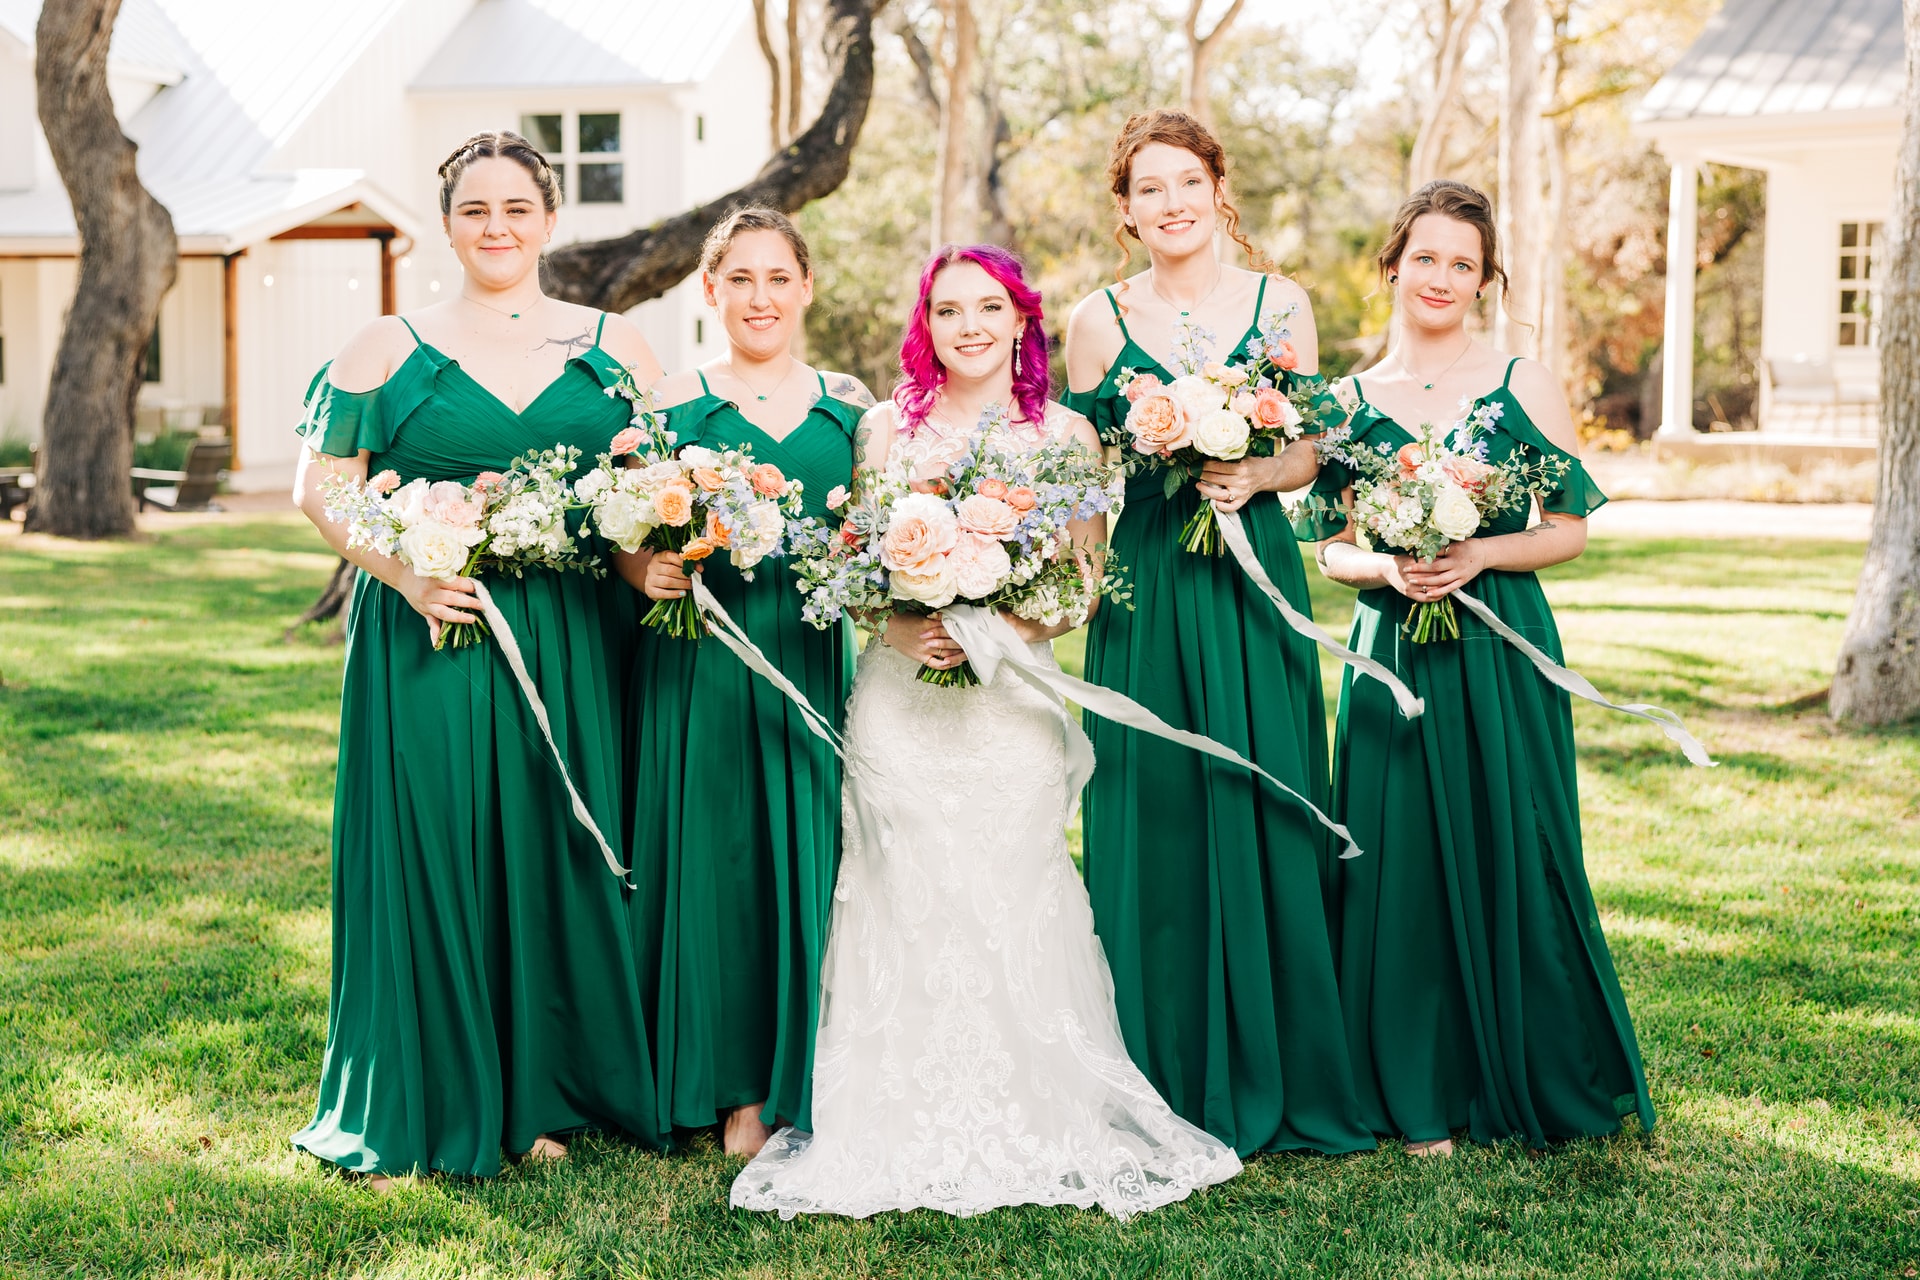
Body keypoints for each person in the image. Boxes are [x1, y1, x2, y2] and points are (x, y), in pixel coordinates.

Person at [730, 245, 1241, 1220]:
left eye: (989, 308)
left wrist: (995, 626)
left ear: (1021, 321)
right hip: (901, 697)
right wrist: (903, 623)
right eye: (949, 309)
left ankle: (1041, 1105)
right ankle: (890, 1111)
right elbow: (857, 566)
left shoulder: (1066, 436)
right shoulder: (885, 429)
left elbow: (1085, 582)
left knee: (1015, 884)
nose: (969, 326)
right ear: (926, 324)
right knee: (898, 883)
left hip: (1010, 702)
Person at [289, 131, 666, 1183]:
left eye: (516, 208)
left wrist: (651, 566)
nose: (497, 228)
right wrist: (406, 573)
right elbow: (322, 489)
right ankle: (438, 1088)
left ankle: (546, 1088)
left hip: (574, 635)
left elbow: (647, 490)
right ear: (446, 225)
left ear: (550, 220)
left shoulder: (617, 345)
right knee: (439, 845)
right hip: (434, 630)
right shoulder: (386, 345)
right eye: (474, 210)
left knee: (553, 846)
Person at [1306, 179, 1655, 1152]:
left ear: (1485, 280)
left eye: (1463, 264)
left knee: (1515, 841)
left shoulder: (1521, 382)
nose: (1442, 277)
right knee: (1398, 862)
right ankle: (1412, 1085)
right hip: (1391, 649)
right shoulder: (1343, 404)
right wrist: (1388, 566)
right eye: (1426, 257)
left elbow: (1568, 529)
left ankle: (1532, 1066)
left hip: (1502, 642)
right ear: (1392, 266)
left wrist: (1478, 553)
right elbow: (1330, 550)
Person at [1060, 108, 1372, 1157]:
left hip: (1251, 576)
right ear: (1125, 209)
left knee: (1264, 791)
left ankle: (1282, 1055)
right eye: (1149, 188)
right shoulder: (1096, 319)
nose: (1172, 203)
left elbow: (1313, 450)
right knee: (1152, 804)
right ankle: (1157, 1063)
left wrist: (1256, 469)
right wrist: (1081, 579)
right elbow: (1088, 473)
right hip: (1151, 578)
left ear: (1218, 190)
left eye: (1187, 181)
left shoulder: (1282, 302)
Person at [616, 208, 867, 1156]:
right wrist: (645, 570)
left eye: (778, 279)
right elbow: (625, 533)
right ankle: (721, 1083)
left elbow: (877, 531)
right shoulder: (671, 402)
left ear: (807, 288)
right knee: (710, 855)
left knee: (803, 854)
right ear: (711, 290)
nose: (760, 298)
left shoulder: (851, 406)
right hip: (700, 659)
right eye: (741, 280)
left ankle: (798, 1070)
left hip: (805, 655)